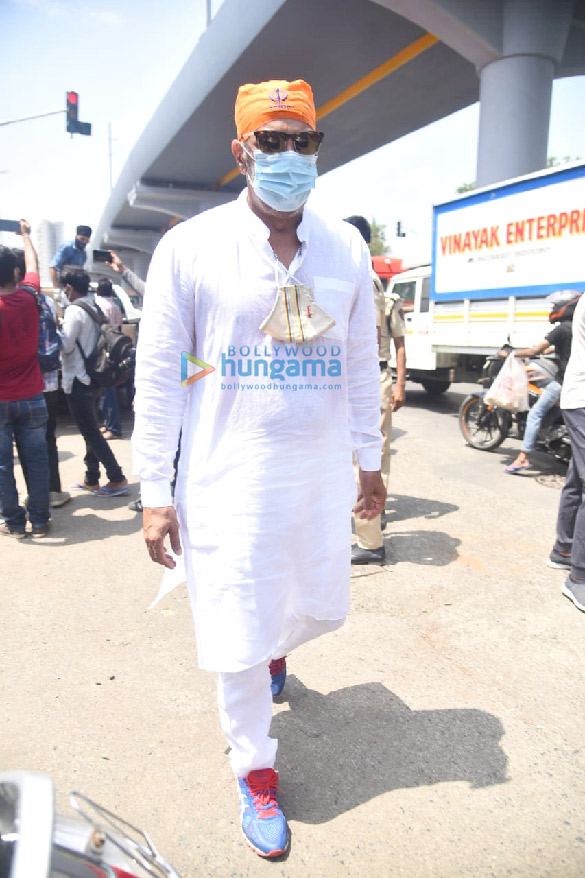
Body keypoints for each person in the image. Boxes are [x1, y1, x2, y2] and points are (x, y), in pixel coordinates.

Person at [132, 78, 385, 859]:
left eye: (300, 142)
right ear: (239, 152)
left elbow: (358, 362)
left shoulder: (343, 244)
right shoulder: (191, 246)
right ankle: (255, 770)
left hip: (311, 481)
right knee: (237, 630)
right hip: (224, 481)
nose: (286, 156)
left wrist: (368, 460)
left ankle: (276, 648)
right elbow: (161, 372)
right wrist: (152, 489)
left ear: (317, 149)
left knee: (314, 603)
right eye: (269, 142)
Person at [344, 216, 406, 564]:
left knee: (365, 460)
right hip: (371, 377)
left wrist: (397, 382)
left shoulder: (362, 280)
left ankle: (370, 542)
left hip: (365, 378)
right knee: (368, 458)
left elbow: (364, 342)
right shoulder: (369, 278)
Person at [0, 219, 51, 538]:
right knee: (37, 460)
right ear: (16, 273)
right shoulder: (31, 296)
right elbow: (33, 262)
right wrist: (26, 236)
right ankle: (41, 519)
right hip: (32, 394)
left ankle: (15, 523)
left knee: (3, 467)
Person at [59, 268, 128, 497]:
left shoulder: (73, 311)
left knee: (90, 431)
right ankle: (91, 477)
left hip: (79, 377)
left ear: (69, 287)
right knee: (91, 428)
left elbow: (66, 345)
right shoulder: (94, 306)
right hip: (96, 375)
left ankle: (117, 477)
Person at [11, 249, 70, 508]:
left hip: (24, 385)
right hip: (48, 383)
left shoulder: (12, 301)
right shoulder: (41, 301)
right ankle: (53, 491)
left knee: (24, 445)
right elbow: (51, 345)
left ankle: (34, 497)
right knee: (47, 439)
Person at [502, 290, 581, 474]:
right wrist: (551, 350)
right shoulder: (576, 327)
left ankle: (523, 457)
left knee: (535, 414)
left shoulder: (561, 329)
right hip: (578, 381)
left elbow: (533, 350)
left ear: (564, 307)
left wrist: (512, 354)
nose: (553, 308)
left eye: (555, 306)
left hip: (565, 382)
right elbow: (564, 347)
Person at [547, 292, 585, 611]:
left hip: (574, 394)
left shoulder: (568, 321)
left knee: (577, 478)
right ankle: (579, 577)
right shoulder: (561, 327)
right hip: (580, 398)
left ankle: (563, 550)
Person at [94, 277, 124, 440]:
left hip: (105, 350)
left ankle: (113, 427)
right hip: (114, 349)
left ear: (98, 291)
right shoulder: (116, 307)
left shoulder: (99, 306)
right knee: (108, 389)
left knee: (107, 391)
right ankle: (109, 423)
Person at [49, 225, 92, 290]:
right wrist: (56, 288)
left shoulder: (84, 254)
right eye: (82, 239)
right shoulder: (67, 248)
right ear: (76, 236)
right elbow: (53, 267)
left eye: (86, 241)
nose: (84, 242)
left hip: (74, 289)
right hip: (63, 286)